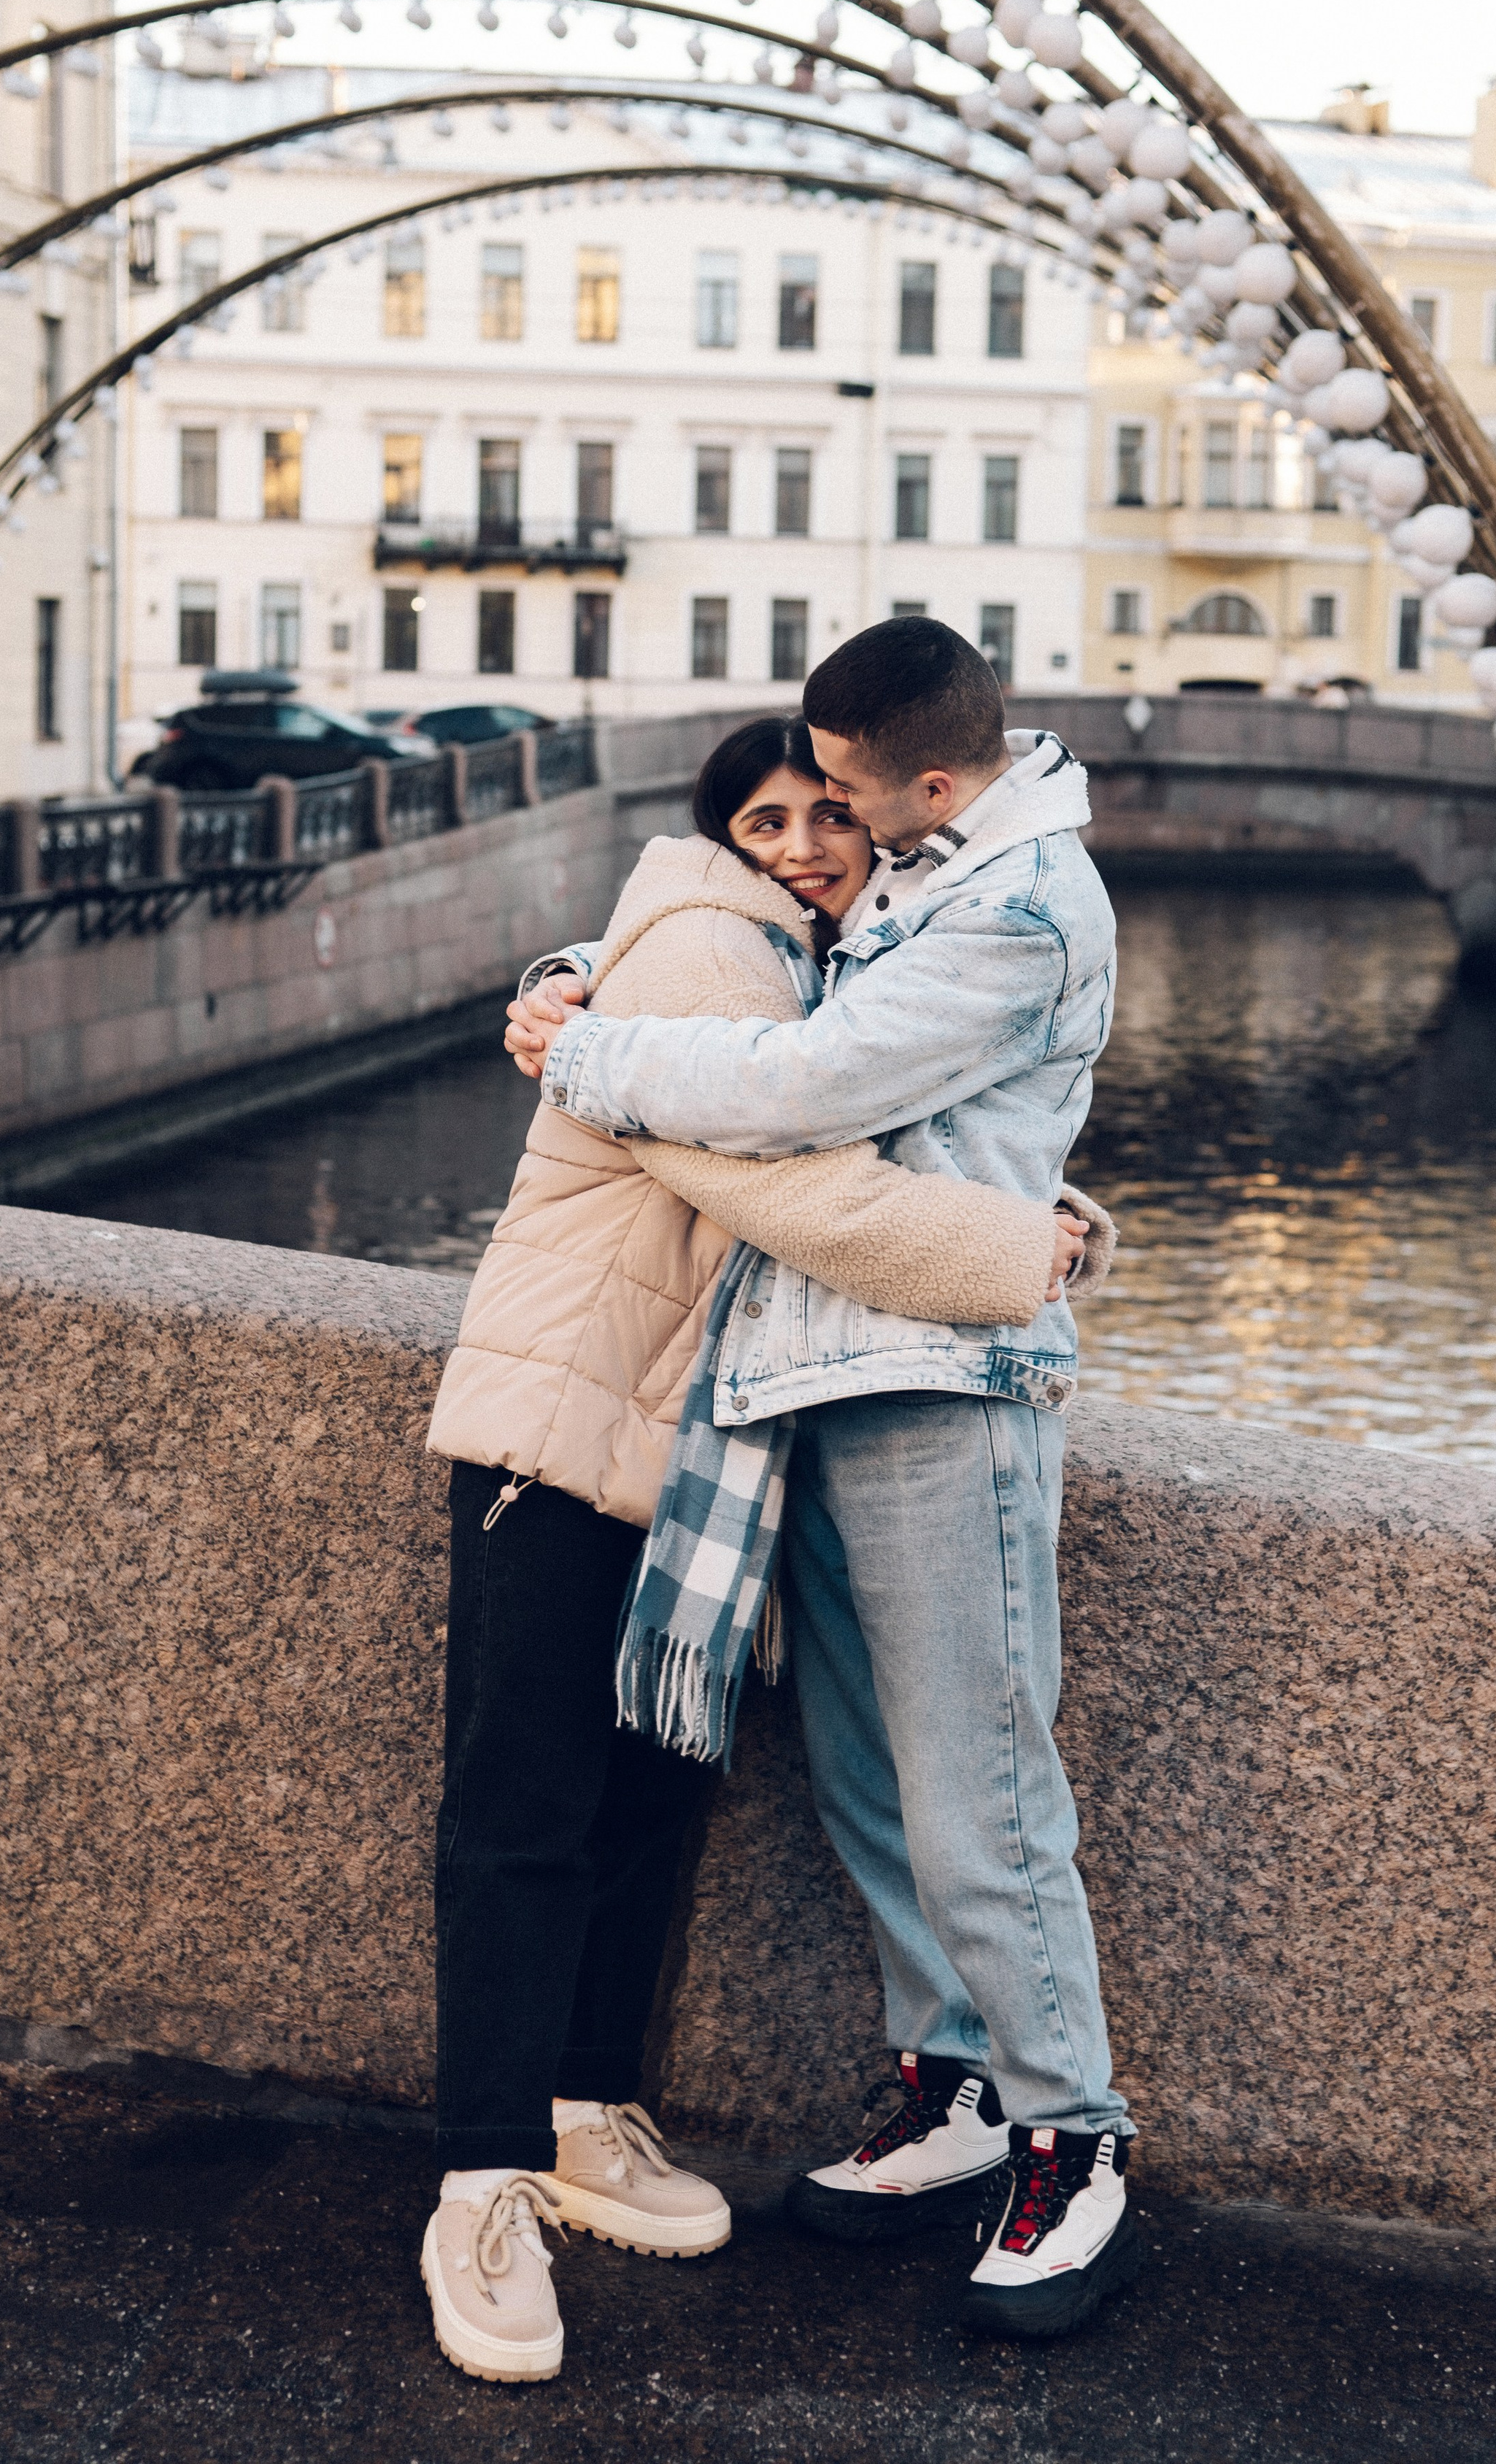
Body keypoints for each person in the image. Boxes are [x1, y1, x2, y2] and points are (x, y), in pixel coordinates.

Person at [420, 712, 1106, 2386]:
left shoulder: (820, 956)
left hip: (686, 1462)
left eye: (824, 809)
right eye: (764, 814)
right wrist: (1031, 1246)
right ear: (718, 836)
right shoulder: (713, 945)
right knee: (526, 1816)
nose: (804, 838)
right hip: (566, 1433)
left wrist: (570, 988)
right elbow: (801, 1187)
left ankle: (585, 2119)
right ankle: (479, 2190)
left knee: (648, 1799)